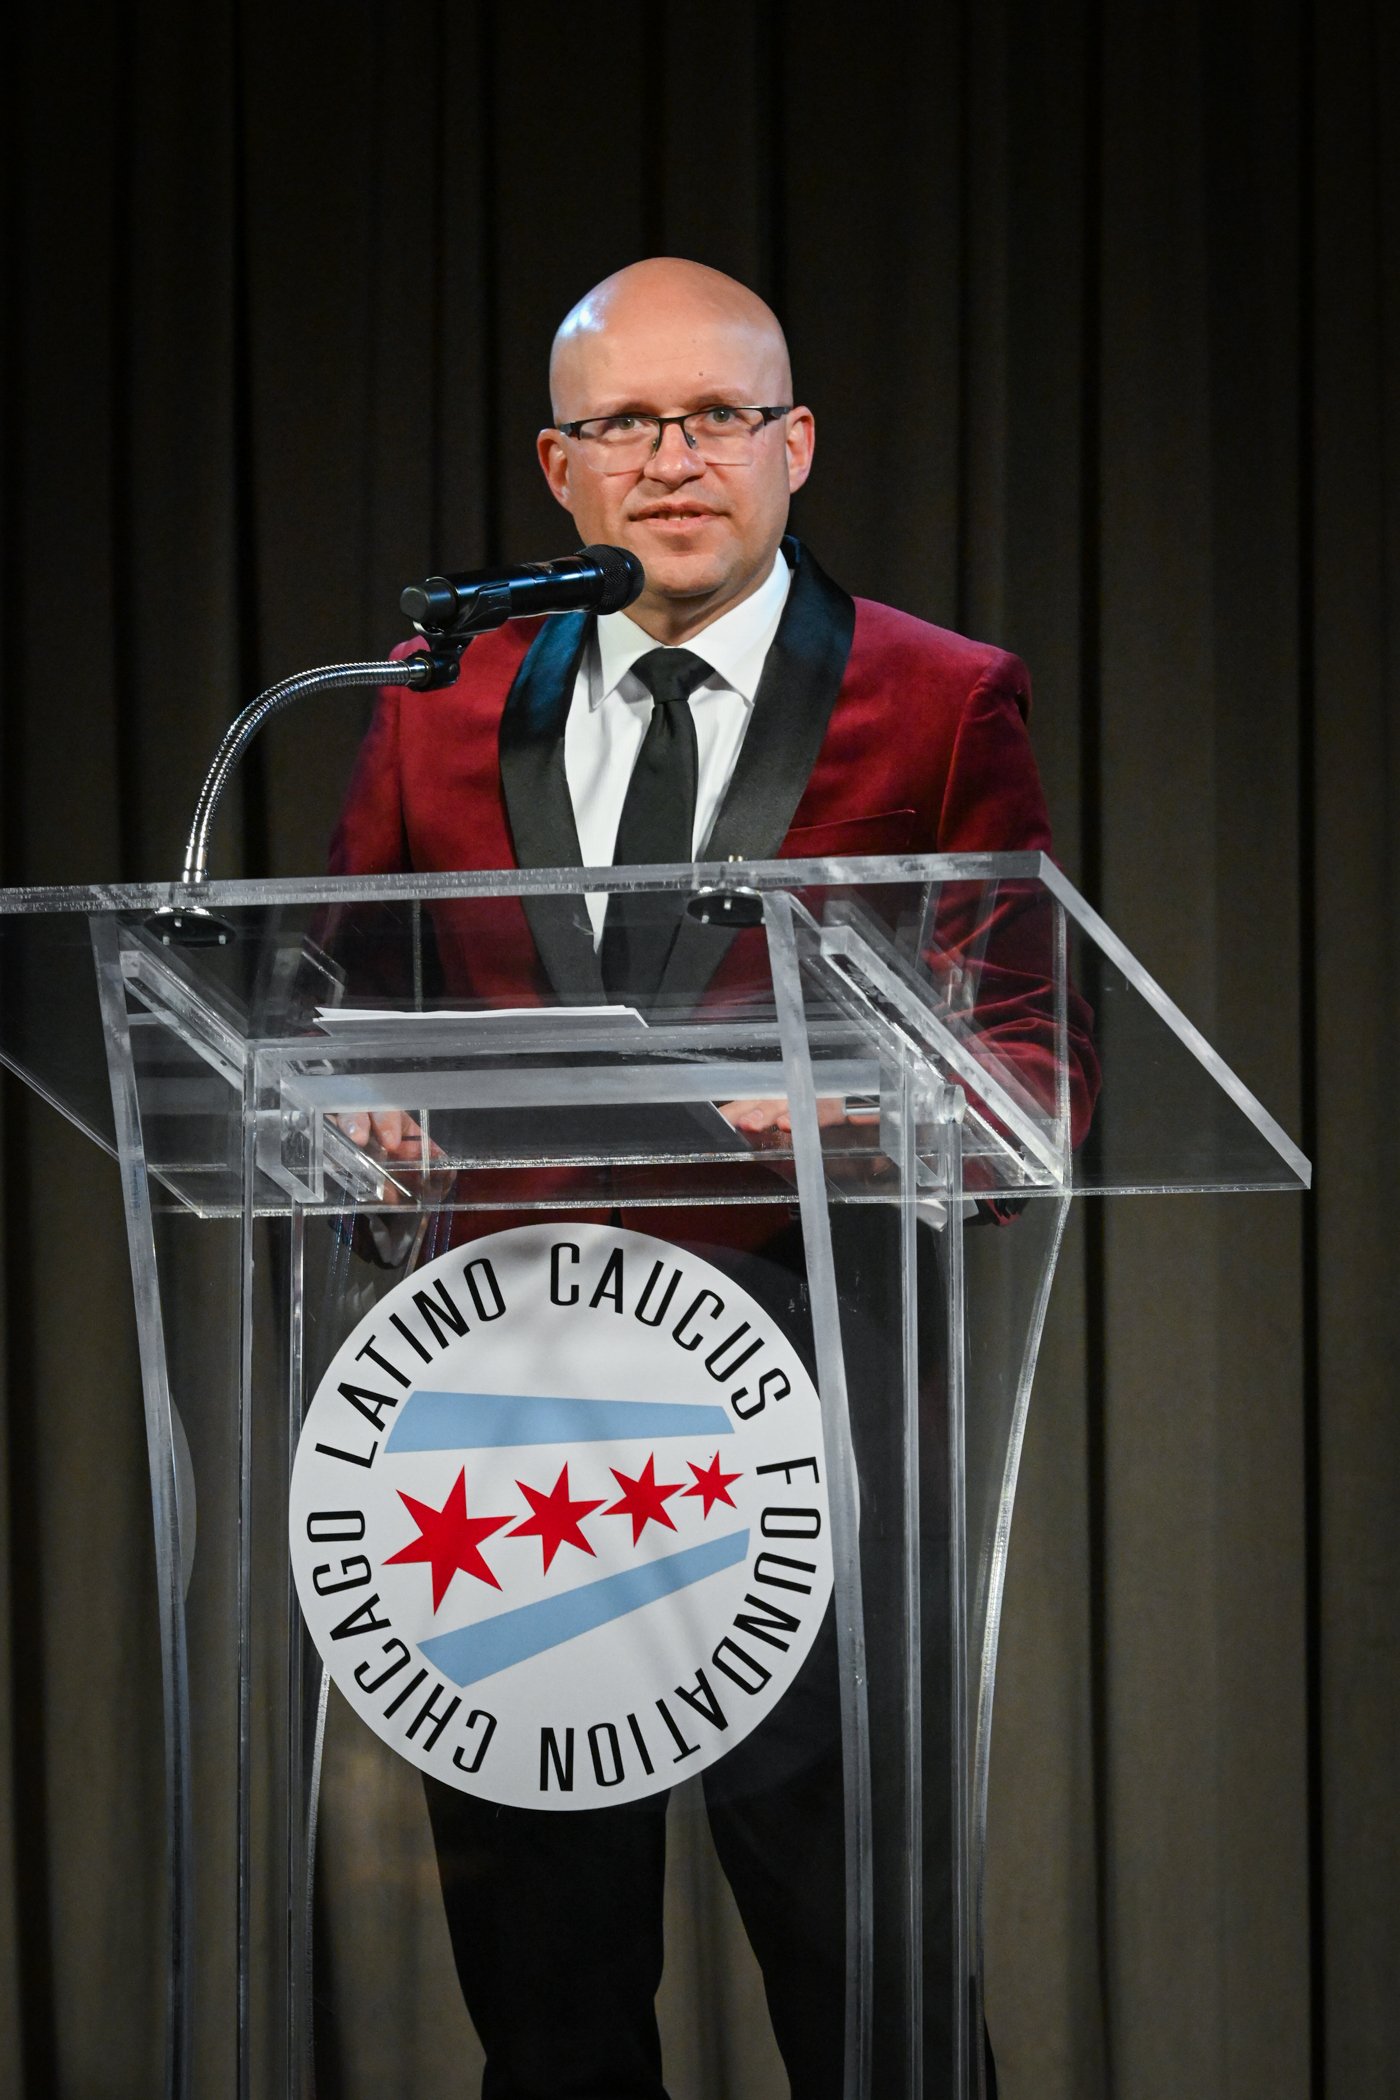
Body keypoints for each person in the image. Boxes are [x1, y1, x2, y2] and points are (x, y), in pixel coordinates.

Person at [329, 257, 1087, 2098]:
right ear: (560, 465)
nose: (673, 458)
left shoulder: (938, 699)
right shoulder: (436, 708)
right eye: (625, 424)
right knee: (548, 2000)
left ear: (794, 444)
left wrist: (864, 1115)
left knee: (864, 1986)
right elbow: (335, 1029)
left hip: (809, 1419)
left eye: (718, 416)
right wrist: (364, 1130)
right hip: (502, 1429)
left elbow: (1033, 1072)